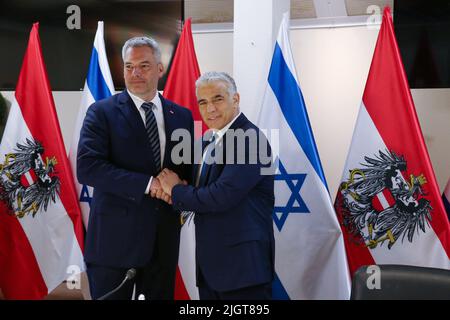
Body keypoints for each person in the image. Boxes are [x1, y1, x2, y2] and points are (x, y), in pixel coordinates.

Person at [77, 36, 193, 300]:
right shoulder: (101, 113)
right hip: (113, 246)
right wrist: (150, 184)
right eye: (129, 67)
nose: (135, 73)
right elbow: (88, 168)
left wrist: (182, 186)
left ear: (160, 69)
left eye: (144, 66)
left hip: (162, 246)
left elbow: (183, 170)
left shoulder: (182, 116)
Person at [156, 71, 275, 300]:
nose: (210, 109)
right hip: (211, 269)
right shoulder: (207, 141)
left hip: (243, 271)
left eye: (218, 99)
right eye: (203, 102)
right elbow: (196, 189)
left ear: (236, 99)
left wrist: (175, 190)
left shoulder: (251, 139)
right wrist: (171, 189)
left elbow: (220, 196)